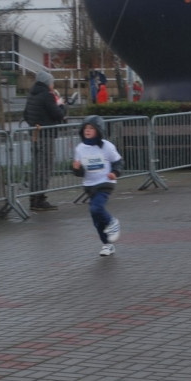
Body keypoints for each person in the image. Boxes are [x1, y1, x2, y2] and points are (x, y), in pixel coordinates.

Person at [72, 115, 123, 257]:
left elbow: (118, 162)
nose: (87, 131)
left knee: (97, 207)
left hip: (105, 183)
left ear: (99, 130)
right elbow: (80, 172)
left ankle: (113, 222)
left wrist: (115, 172)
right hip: (89, 186)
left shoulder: (107, 146)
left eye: (91, 128)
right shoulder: (80, 148)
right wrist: (76, 168)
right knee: (96, 218)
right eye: (85, 128)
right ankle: (107, 244)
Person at [23, 70, 67, 212]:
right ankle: (40, 199)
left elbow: (25, 114)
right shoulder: (47, 96)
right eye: (52, 82)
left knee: (36, 167)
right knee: (45, 167)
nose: (53, 85)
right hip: (46, 135)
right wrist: (60, 104)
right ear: (48, 83)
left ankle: (32, 198)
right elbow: (58, 114)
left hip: (34, 134)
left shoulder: (32, 94)